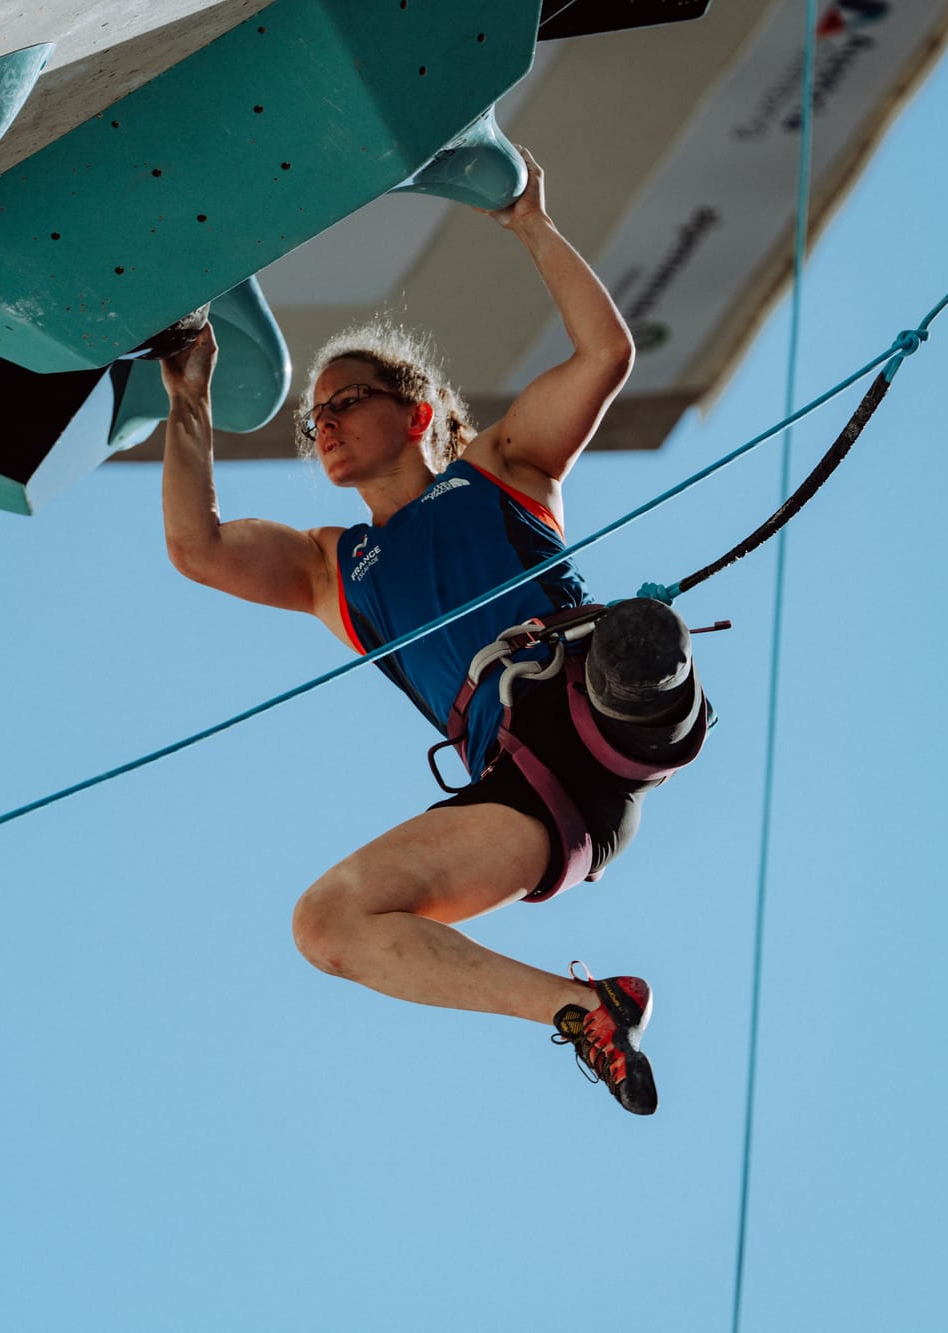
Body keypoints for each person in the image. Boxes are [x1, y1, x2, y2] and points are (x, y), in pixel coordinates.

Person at [157, 148, 707, 1115]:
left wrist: (530, 223)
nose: (321, 423)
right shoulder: (335, 574)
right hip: (531, 796)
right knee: (325, 923)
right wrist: (188, 395)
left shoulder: (500, 469)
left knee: (631, 649)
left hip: (596, 710)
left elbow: (604, 359)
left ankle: (655, 679)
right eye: (312, 417)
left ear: (416, 413)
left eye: (345, 401)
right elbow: (196, 546)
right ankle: (584, 1009)